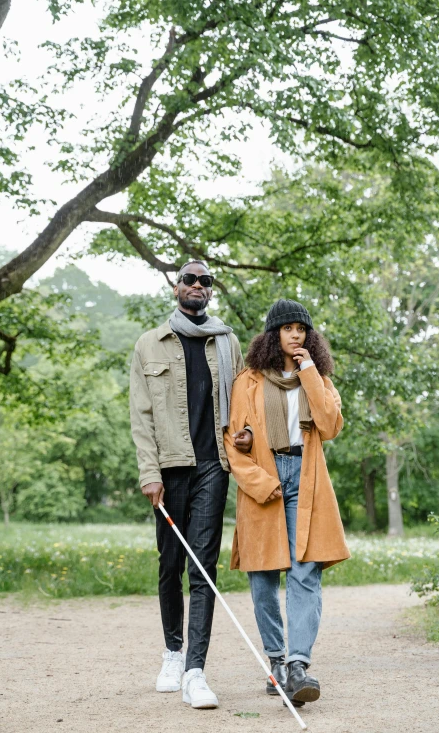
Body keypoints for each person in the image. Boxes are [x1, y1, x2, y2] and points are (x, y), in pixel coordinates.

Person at [130, 260, 252, 710]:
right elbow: (141, 417)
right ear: (175, 286)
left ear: (210, 292)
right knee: (170, 565)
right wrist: (149, 473)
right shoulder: (150, 344)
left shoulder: (227, 342)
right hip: (169, 467)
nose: (198, 286)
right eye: (190, 279)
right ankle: (172, 652)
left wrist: (247, 436)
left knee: (203, 568)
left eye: (206, 281)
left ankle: (196, 671)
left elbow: (243, 404)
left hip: (213, 467)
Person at [224, 299, 350, 707]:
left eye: (302, 329)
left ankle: (298, 666)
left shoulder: (318, 378)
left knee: (305, 573)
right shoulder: (248, 381)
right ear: (272, 334)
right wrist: (261, 482)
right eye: (288, 328)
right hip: (266, 479)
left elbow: (330, 425)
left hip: (306, 479)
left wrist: (310, 370)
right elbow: (233, 441)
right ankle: (276, 661)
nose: (296, 335)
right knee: (262, 580)